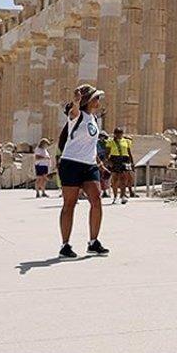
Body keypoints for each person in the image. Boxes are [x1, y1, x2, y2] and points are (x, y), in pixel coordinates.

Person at [58, 84, 109, 258]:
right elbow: (73, 112)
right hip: (71, 163)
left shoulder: (94, 119)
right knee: (69, 204)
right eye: (96, 98)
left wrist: (100, 165)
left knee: (96, 199)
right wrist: (76, 102)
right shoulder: (76, 115)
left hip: (89, 164)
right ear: (88, 101)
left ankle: (93, 242)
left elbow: (92, 145)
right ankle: (65, 244)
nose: (98, 101)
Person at [106, 127, 135, 204]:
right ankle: (115, 196)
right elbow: (107, 153)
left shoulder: (126, 141)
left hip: (124, 159)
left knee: (124, 179)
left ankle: (122, 196)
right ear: (114, 134)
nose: (119, 135)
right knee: (115, 179)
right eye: (117, 133)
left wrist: (132, 162)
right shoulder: (110, 142)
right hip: (115, 159)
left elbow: (129, 152)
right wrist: (108, 161)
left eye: (120, 133)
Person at [96, 131, 112, 199]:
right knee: (99, 177)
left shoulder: (107, 143)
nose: (102, 138)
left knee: (106, 177)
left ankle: (105, 191)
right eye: (101, 136)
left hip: (105, 161)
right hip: (99, 160)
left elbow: (108, 152)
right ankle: (100, 191)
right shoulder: (97, 143)